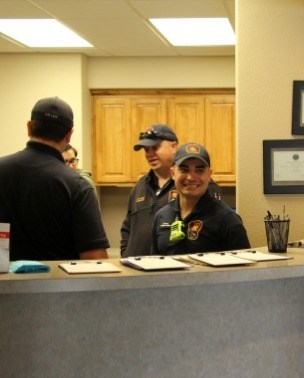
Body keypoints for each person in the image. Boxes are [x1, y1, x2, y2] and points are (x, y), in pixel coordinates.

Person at [0, 97, 109, 261]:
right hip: (59, 285)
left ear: (29, 128)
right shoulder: (77, 186)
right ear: (69, 135)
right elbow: (95, 260)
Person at [120, 124, 222, 257]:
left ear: (173, 147)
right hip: (137, 271)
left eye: (155, 148)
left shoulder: (194, 185)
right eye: (146, 150)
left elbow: (213, 230)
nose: (149, 154)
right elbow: (127, 227)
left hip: (174, 271)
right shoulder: (140, 185)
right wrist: (126, 253)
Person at [152, 142, 250, 255]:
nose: (191, 177)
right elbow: (155, 265)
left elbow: (244, 271)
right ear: (173, 173)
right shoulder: (162, 216)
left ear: (209, 174)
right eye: (184, 170)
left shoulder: (227, 220)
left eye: (199, 170)